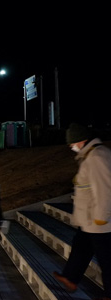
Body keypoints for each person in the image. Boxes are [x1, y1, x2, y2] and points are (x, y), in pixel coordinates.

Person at [53, 123, 111, 300]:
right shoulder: (90, 156)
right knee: (81, 247)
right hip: (89, 220)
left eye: (72, 143)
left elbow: (105, 190)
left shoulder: (97, 157)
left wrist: (101, 217)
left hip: (99, 221)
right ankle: (70, 277)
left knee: (107, 259)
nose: (71, 146)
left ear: (82, 140)